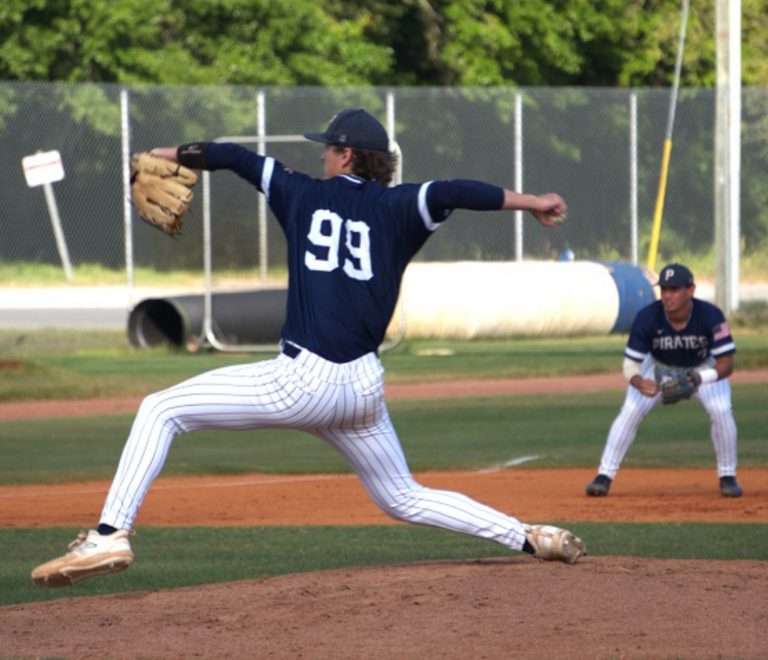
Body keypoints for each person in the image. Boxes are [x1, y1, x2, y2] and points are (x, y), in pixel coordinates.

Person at [32, 108, 584, 587]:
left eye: (328, 149)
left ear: (346, 156)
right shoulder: (401, 207)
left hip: (301, 381)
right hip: (362, 389)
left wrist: (162, 151)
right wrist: (531, 201)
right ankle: (533, 538)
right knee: (402, 497)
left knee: (161, 409)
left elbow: (229, 155)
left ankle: (109, 535)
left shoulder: (300, 193)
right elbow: (456, 191)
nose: (322, 157)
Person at [585, 263, 741, 498]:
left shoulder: (710, 316)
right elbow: (630, 364)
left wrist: (699, 377)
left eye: (674, 289)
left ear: (691, 290)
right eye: (664, 289)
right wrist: (638, 382)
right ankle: (604, 476)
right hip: (658, 367)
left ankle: (727, 476)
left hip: (702, 368)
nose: (667, 295)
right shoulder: (648, 317)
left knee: (721, 410)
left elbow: (726, 364)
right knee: (630, 411)